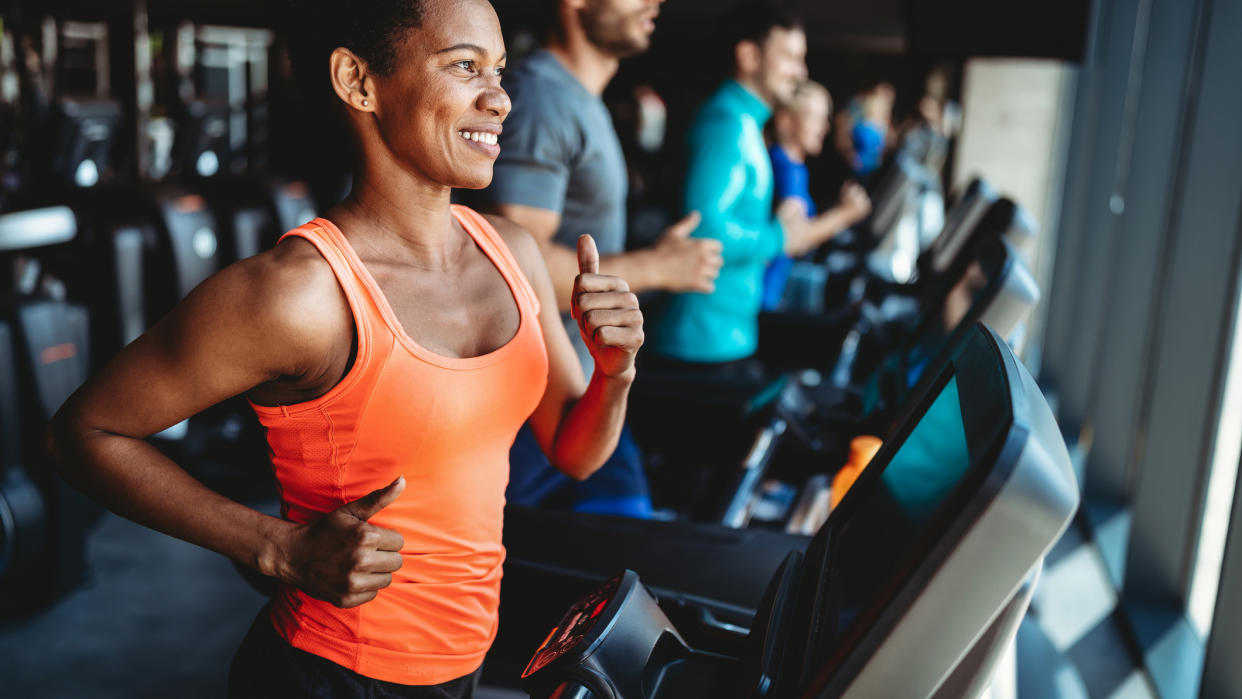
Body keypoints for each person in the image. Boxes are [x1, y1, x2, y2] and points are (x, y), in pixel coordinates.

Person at [48, 0, 643, 696]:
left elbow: (575, 450)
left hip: (463, 663)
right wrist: (276, 547)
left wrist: (615, 371)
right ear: (358, 82)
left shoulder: (510, 251)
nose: (500, 99)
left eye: (500, 71)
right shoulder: (302, 295)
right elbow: (82, 433)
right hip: (333, 672)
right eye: (464, 67)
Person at [480, 0, 723, 517]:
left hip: (586, 388)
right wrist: (659, 267)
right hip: (538, 409)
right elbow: (519, 262)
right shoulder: (543, 97)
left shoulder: (577, 97)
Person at [648, 1, 867, 370]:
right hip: (703, 341)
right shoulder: (727, 125)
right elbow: (703, 229)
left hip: (722, 334)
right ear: (749, 56)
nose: (801, 71)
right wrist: (780, 236)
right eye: (789, 57)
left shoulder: (746, 124)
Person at [763, 80, 871, 310]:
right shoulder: (786, 169)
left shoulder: (794, 166)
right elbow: (793, 241)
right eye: (815, 117)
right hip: (766, 300)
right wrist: (847, 213)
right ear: (786, 120)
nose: (824, 127)